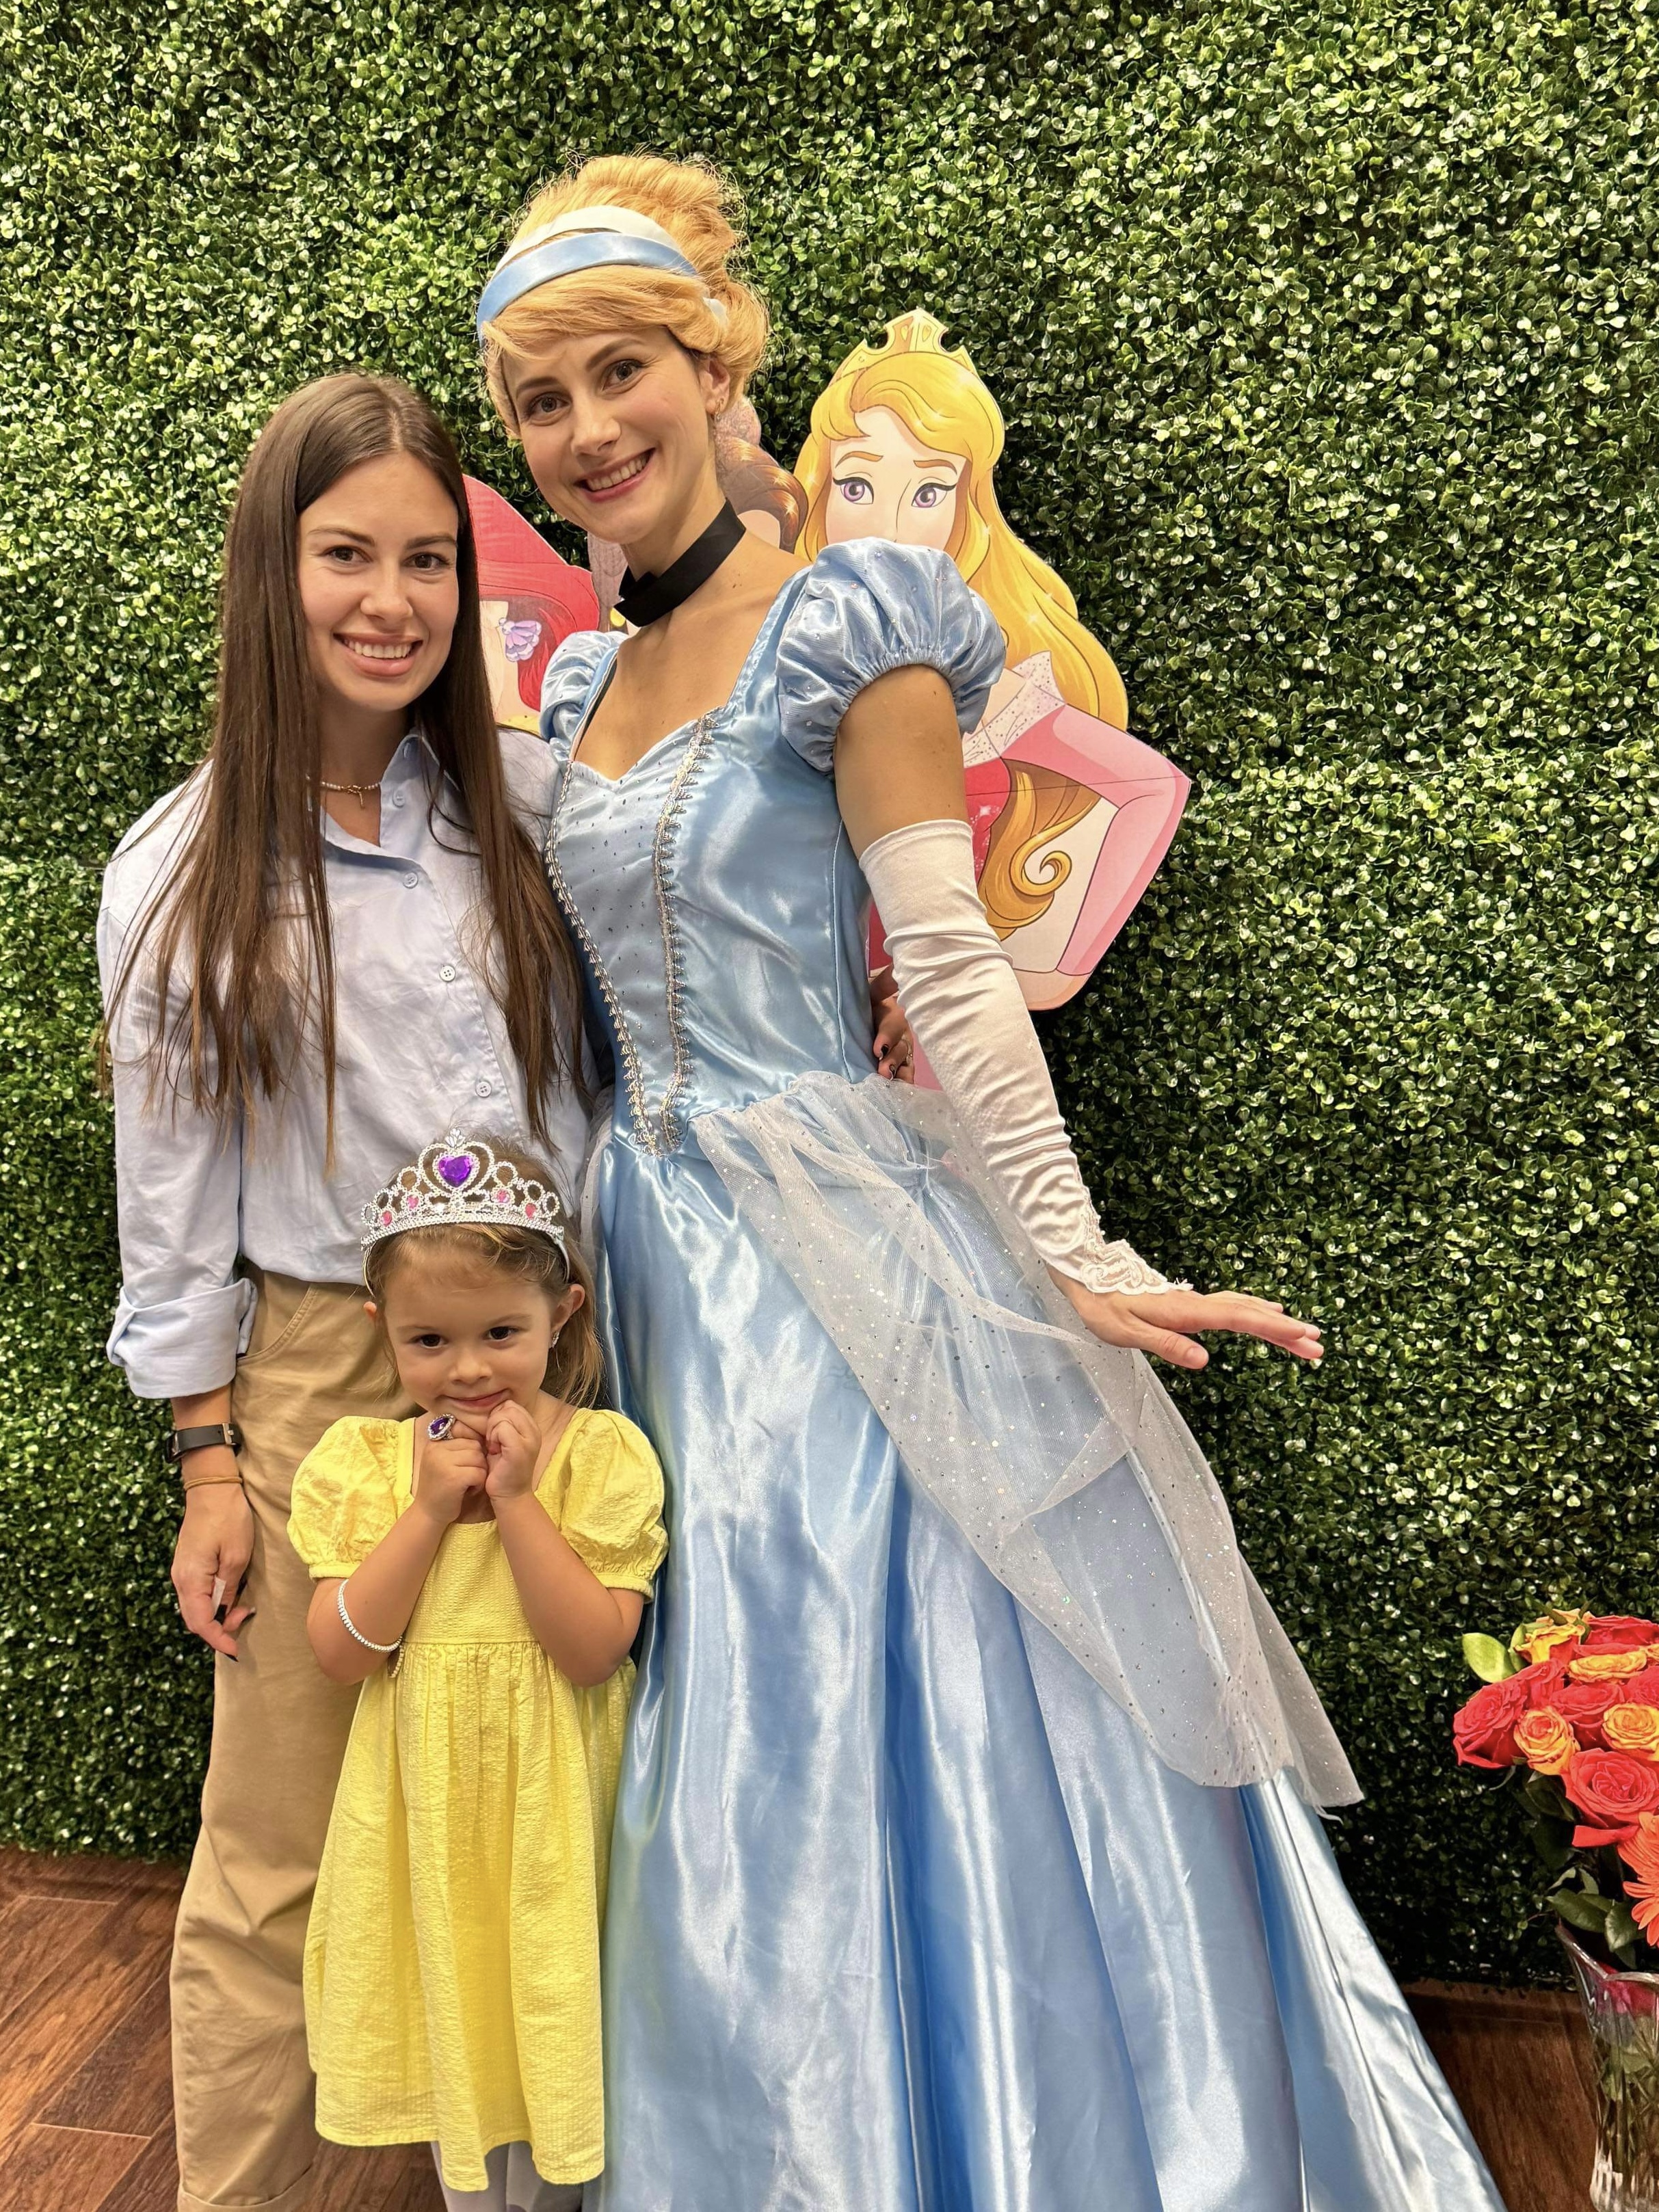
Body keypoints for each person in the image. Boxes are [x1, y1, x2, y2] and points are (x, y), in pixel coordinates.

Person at [476, 152, 1505, 2209]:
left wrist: (1070, 1243)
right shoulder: (578, 685)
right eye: (540, 400)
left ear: (714, 368)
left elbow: (944, 962)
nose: (585, 430)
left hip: (827, 1263)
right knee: (687, 1684)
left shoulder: (846, 625)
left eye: (620, 374)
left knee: (821, 1684)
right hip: (639, 1259)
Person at [97, 369, 909, 2212]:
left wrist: (853, 992)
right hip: (332, 1372)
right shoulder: (181, 873)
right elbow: (172, 1202)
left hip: (583, 1346)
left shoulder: (529, 805)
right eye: (345, 556)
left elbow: (705, 954)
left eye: (427, 561)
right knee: (288, 1842)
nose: (390, 602)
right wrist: (210, 1461)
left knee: (593, 1794)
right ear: (269, 571)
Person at [291, 1132, 665, 2212]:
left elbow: (591, 1649)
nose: (466, 1368)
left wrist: (514, 1503)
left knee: (553, 2020)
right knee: (459, 2024)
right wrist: (424, 1513)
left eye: (501, 1331)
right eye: (429, 1339)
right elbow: (341, 1650)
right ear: (383, 1329)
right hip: (429, 1818)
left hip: (557, 1814)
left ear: (563, 1312)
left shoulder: (600, 1454)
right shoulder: (364, 1463)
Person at [795, 307, 1188, 1009]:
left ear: (964, 511)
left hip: (924, 1033)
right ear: (820, 492)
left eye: (928, 492)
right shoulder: (768, 659)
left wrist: (1046, 972)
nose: (888, 525)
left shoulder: (988, 691)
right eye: (856, 486)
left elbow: (1147, 787)